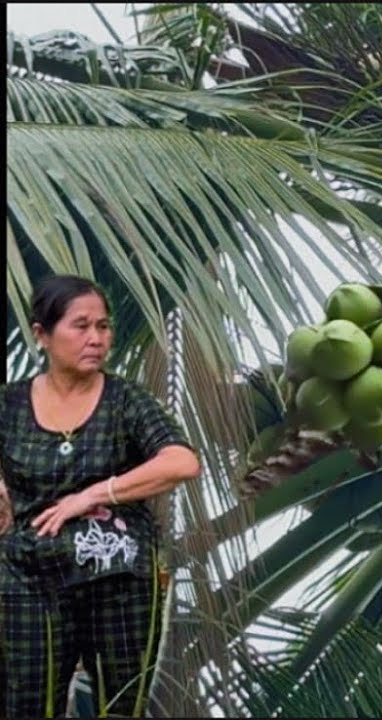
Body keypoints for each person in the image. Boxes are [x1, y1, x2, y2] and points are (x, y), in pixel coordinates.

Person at [0, 274, 201, 718]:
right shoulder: (9, 404)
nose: (97, 338)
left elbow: (182, 462)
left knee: (120, 705)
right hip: (30, 577)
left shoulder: (126, 400)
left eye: (104, 326)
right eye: (81, 326)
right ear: (42, 335)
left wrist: (94, 493)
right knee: (25, 706)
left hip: (120, 580)